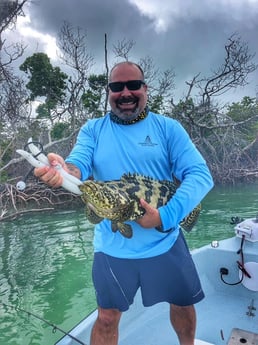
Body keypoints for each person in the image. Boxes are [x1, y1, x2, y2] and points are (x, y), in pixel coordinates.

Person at [34, 61, 214, 345]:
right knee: (106, 317)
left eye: (133, 85)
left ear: (145, 88)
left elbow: (201, 175)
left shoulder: (168, 129)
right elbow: (77, 164)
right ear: (109, 92)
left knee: (181, 304)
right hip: (112, 246)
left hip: (165, 242)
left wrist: (165, 216)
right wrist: (64, 171)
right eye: (117, 87)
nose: (126, 92)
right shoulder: (93, 130)